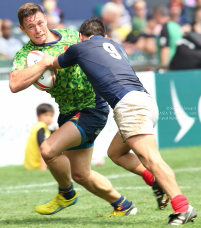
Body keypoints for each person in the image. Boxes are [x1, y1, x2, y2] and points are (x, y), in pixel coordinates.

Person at [51, 17, 197, 225]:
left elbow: (54, 63)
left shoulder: (80, 47)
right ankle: (155, 181)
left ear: (82, 37)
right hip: (145, 100)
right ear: (106, 36)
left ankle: (183, 208)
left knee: (152, 159)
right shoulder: (117, 46)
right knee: (116, 153)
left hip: (129, 106)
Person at [9, 3, 138, 217]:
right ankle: (123, 205)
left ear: (46, 19)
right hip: (69, 112)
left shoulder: (72, 36)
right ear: (22, 29)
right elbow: (14, 84)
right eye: (31, 27)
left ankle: (66, 194)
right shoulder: (25, 55)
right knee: (81, 174)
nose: (38, 29)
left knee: (48, 150)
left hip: (91, 107)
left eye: (40, 23)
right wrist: (44, 64)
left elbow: (104, 47)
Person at [24, 103, 55, 171]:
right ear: (38, 116)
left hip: (30, 166)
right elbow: (42, 147)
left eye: (51, 116)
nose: (49, 118)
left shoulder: (38, 126)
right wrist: (43, 170)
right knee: (45, 148)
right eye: (46, 115)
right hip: (37, 165)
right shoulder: (41, 127)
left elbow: (52, 133)